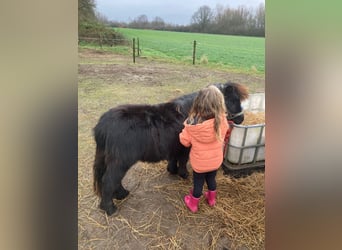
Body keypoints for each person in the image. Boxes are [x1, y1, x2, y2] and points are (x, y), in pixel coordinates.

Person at [179, 85, 229, 213]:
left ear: (198, 103)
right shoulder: (222, 121)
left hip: (200, 163)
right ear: (219, 103)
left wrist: (183, 132)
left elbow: (184, 142)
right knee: (211, 179)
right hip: (216, 160)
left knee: (198, 183)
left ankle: (193, 203)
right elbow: (225, 134)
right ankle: (212, 199)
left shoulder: (192, 124)